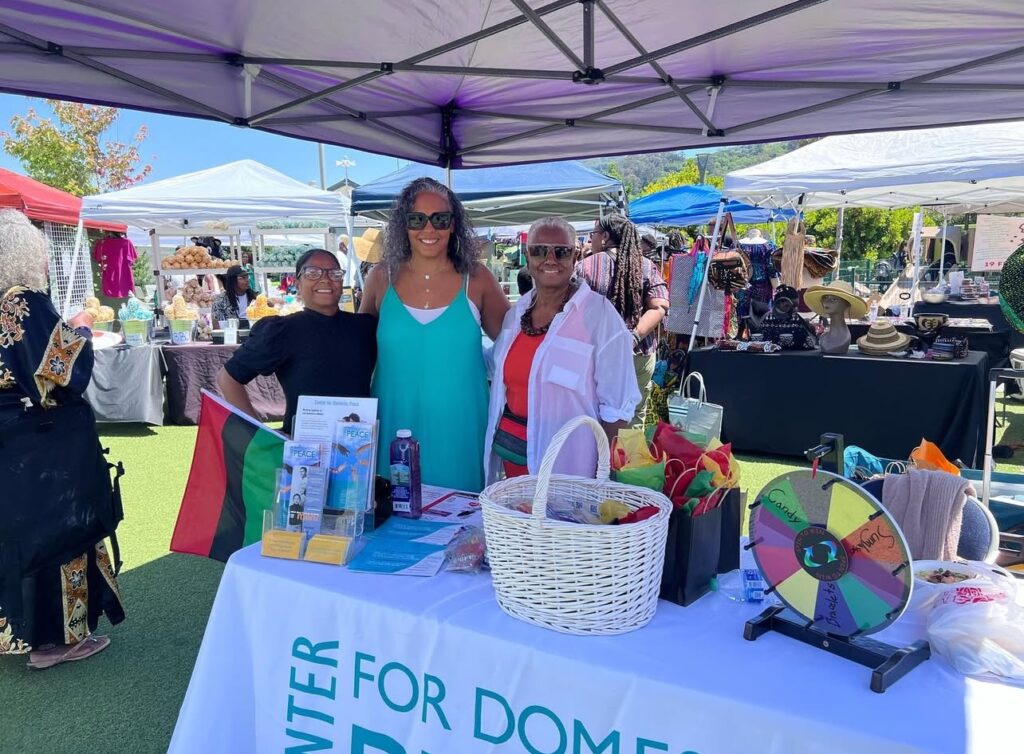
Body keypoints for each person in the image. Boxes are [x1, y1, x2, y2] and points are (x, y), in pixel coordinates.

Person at [0, 209, 124, 669]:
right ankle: (57, 642)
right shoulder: (21, 301)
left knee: (14, 535)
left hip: (9, 442)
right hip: (40, 443)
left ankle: (20, 632)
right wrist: (84, 331)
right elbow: (62, 372)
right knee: (59, 532)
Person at [360, 177, 508, 492]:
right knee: (394, 523)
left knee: (462, 530)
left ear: (454, 225)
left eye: (440, 219)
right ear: (404, 225)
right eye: (417, 219)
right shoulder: (379, 279)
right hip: (392, 423)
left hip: (461, 428)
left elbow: (514, 346)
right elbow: (355, 350)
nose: (430, 229)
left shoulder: (478, 279)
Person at [484, 216, 639, 481]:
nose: (550, 259)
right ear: (528, 256)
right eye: (540, 250)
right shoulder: (516, 315)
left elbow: (617, 408)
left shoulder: (600, 316)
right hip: (514, 470)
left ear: (575, 255)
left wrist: (605, 479)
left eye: (561, 251)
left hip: (570, 474)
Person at [217, 249, 377, 435]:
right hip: (303, 452)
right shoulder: (282, 330)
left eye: (334, 273)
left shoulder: (365, 327)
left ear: (341, 282)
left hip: (358, 448)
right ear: (298, 284)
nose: (325, 279)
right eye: (312, 273)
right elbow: (227, 378)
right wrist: (260, 435)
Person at [581, 213, 669, 425]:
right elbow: (660, 305)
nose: (590, 240)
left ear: (604, 237)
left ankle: (599, 457)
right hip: (638, 353)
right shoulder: (646, 266)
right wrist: (632, 337)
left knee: (594, 412)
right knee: (634, 414)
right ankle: (627, 457)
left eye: (592, 234)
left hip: (594, 354)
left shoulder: (585, 267)